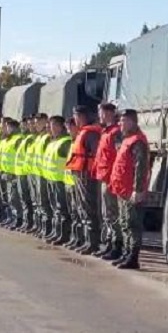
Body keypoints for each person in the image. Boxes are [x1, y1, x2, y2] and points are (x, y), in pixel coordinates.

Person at [109, 109, 149, 269]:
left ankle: (133, 257)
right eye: (120, 120)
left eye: (123, 120)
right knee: (125, 223)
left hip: (131, 191)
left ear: (132, 122)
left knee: (133, 224)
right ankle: (126, 254)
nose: (120, 123)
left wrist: (137, 190)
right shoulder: (127, 139)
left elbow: (141, 167)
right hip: (122, 189)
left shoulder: (137, 141)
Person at [65, 105, 103, 255]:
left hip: (87, 176)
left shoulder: (90, 133)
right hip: (80, 174)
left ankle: (92, 242)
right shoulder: (83, 132)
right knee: (82, 208)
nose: (75, 119)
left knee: (89, 209)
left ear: (82, 117)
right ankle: (86, 241)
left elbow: (97, 154)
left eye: (76, 116)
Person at [92, 103, 123, 260]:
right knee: (106, 214)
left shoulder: (116, 132)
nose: (100, 116)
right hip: (103, 177)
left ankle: (117, 246)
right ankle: (109, 244)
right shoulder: (106, 132)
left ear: (109, 113)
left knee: (112, 214)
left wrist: (114, 178)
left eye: (102, 113)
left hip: (111, 179)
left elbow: (119, 158)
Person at [42, 116, 73, 244]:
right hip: (51, 179)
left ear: (61, 127)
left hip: (60, 180)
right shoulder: (53, 141)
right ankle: (56, 232)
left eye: (54, 125)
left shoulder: (65, 142)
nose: (51, 128)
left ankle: (63, 234)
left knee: (62, 209)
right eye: (50, 125)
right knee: (55, 209)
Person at [63, 117, 83, 249]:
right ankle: (74, 237)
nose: (68, 131)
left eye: (70, 128)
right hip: (69, 181)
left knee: (79, 212)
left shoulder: (79, 142)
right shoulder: (72, 142)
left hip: (76, 183)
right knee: (73, 213)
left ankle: (80, 239)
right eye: (67, 128)